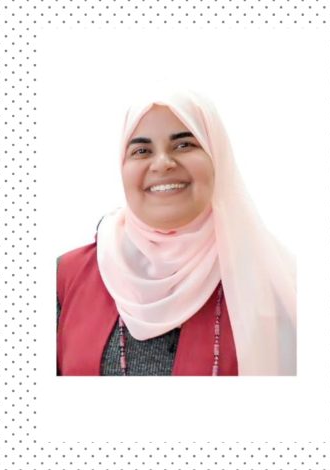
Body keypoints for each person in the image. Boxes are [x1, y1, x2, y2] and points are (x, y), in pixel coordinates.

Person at [56, 88, 296, 376]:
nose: (162, 164)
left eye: (183, 145)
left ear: (217, 156)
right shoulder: (66, 277)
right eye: (141, 151)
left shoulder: (276, 284)